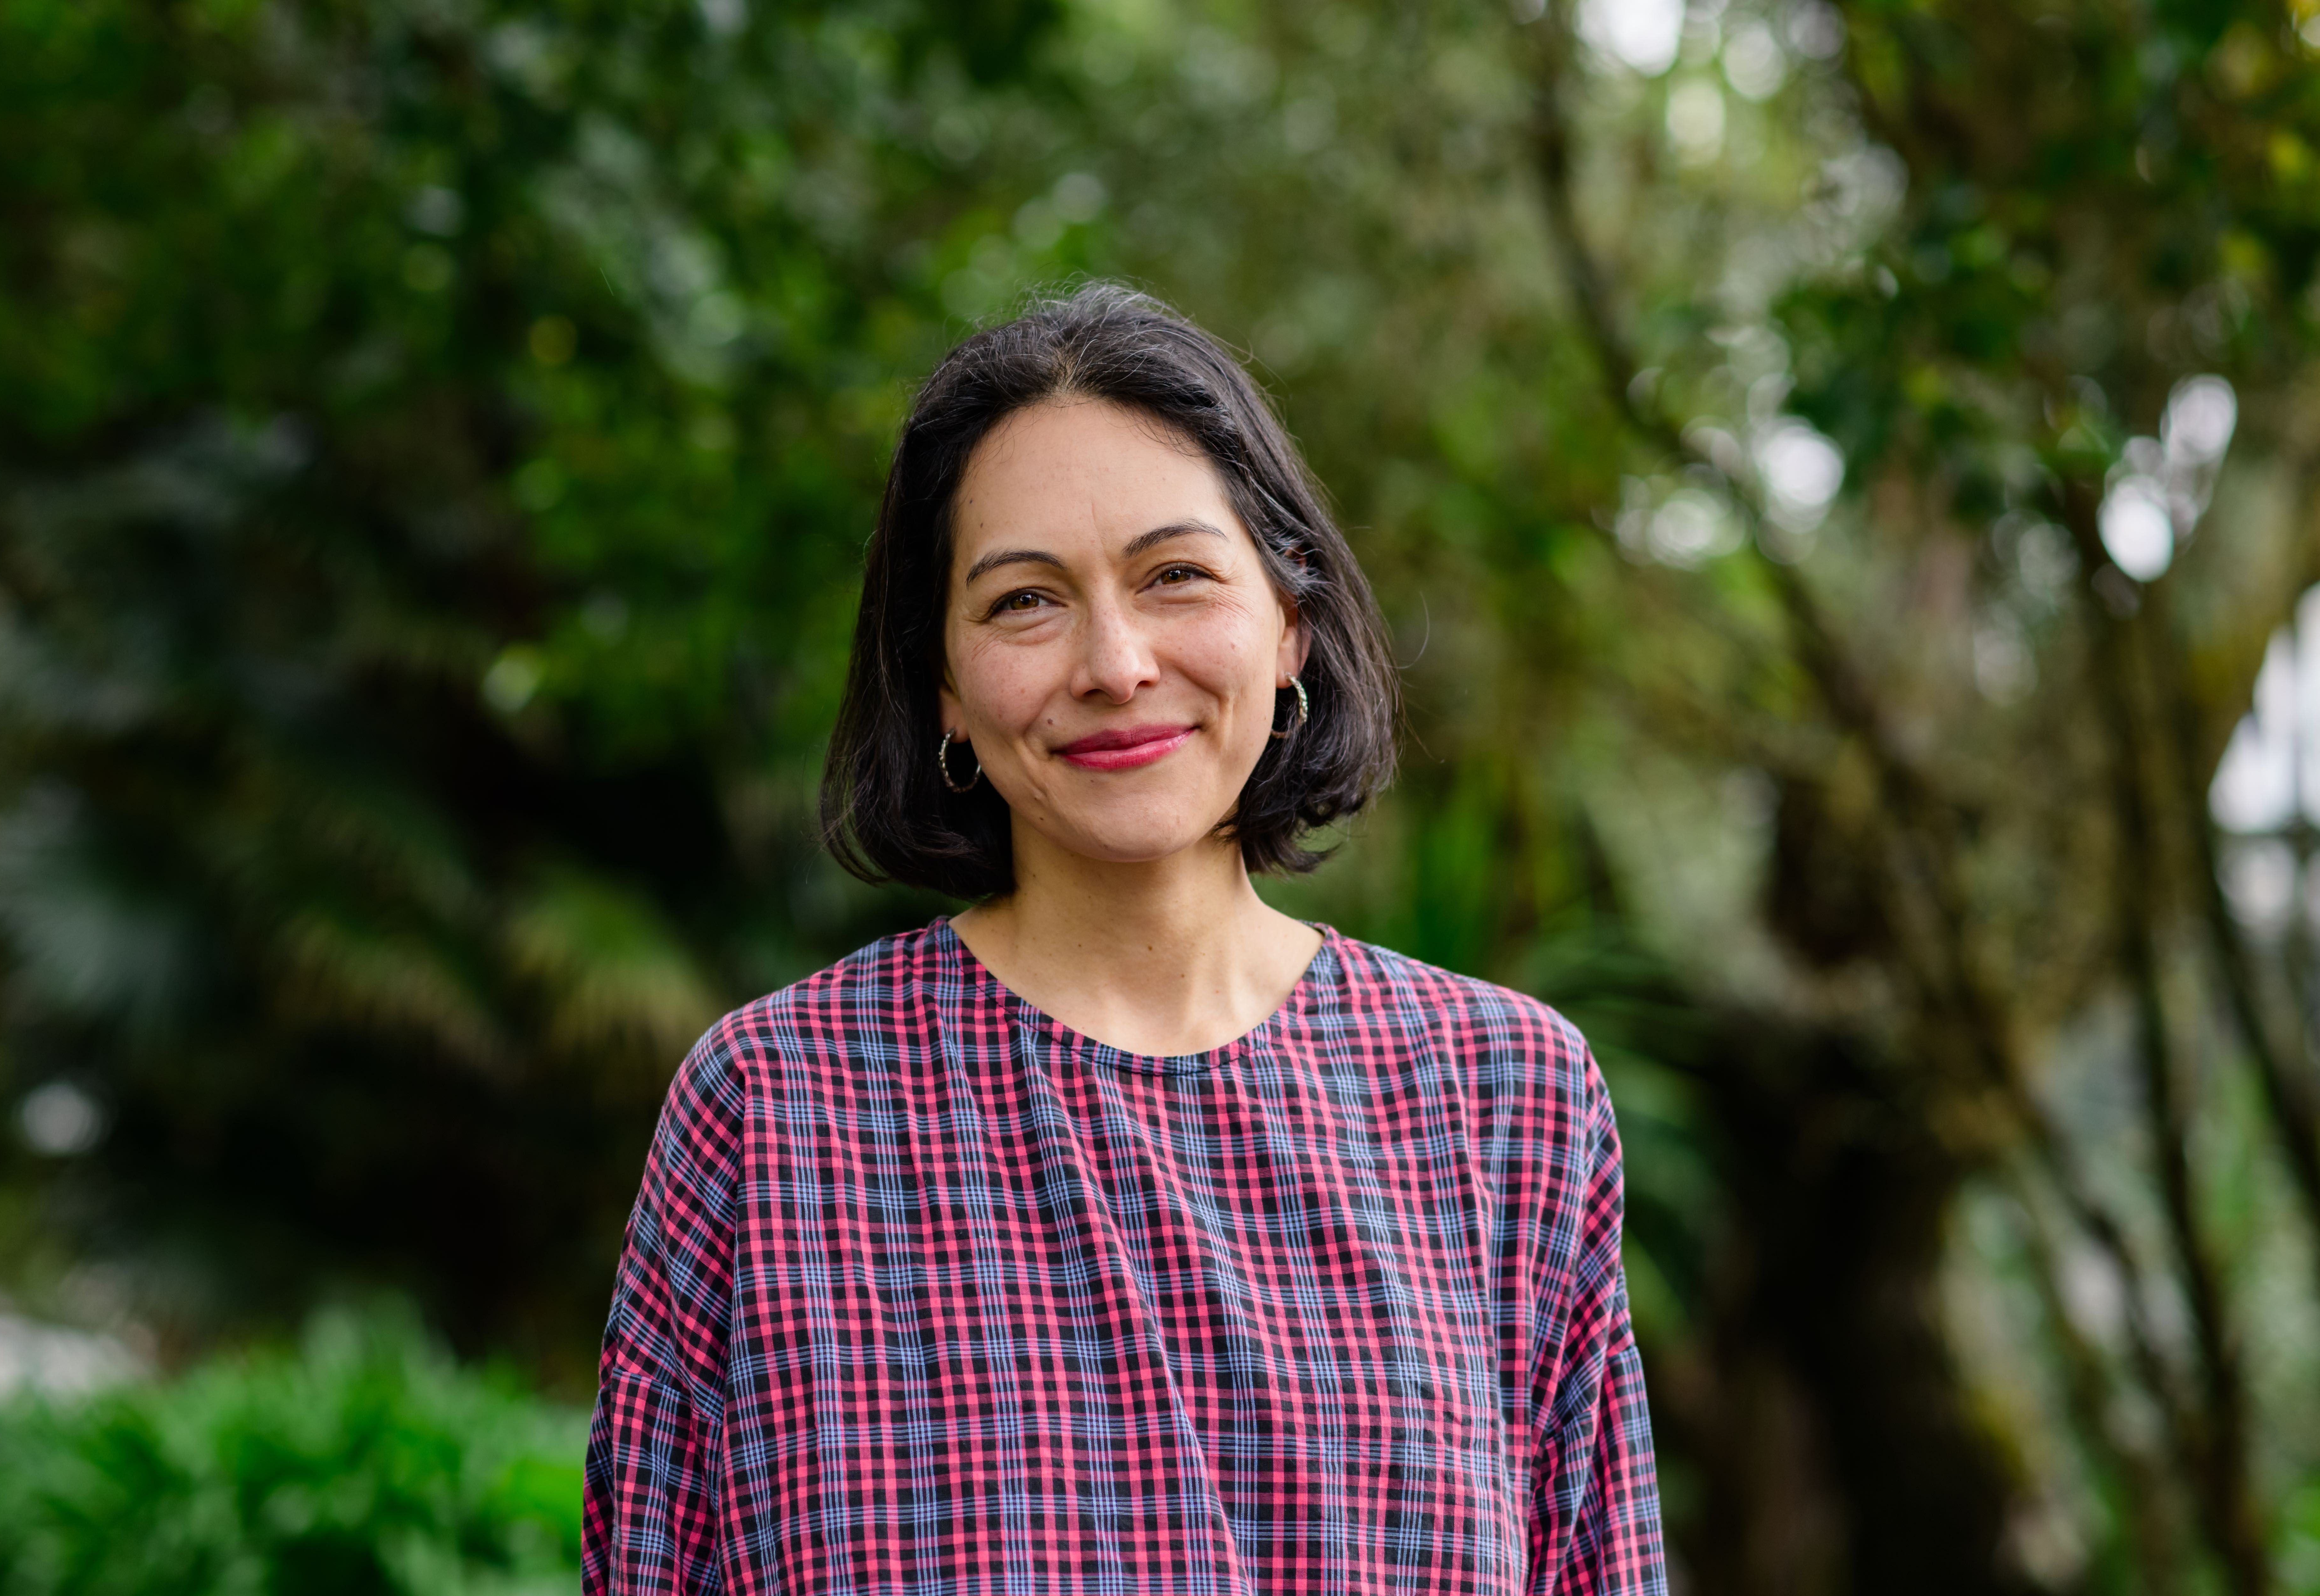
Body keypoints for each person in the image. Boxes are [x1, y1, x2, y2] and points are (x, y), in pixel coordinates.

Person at [581, 284, 1666, 1595]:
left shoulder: (1506, 1097)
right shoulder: (776, 1106)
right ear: (942, 682)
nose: (1114, 661)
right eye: (1025, 602)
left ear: (1288, 621)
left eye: (1176, 577)